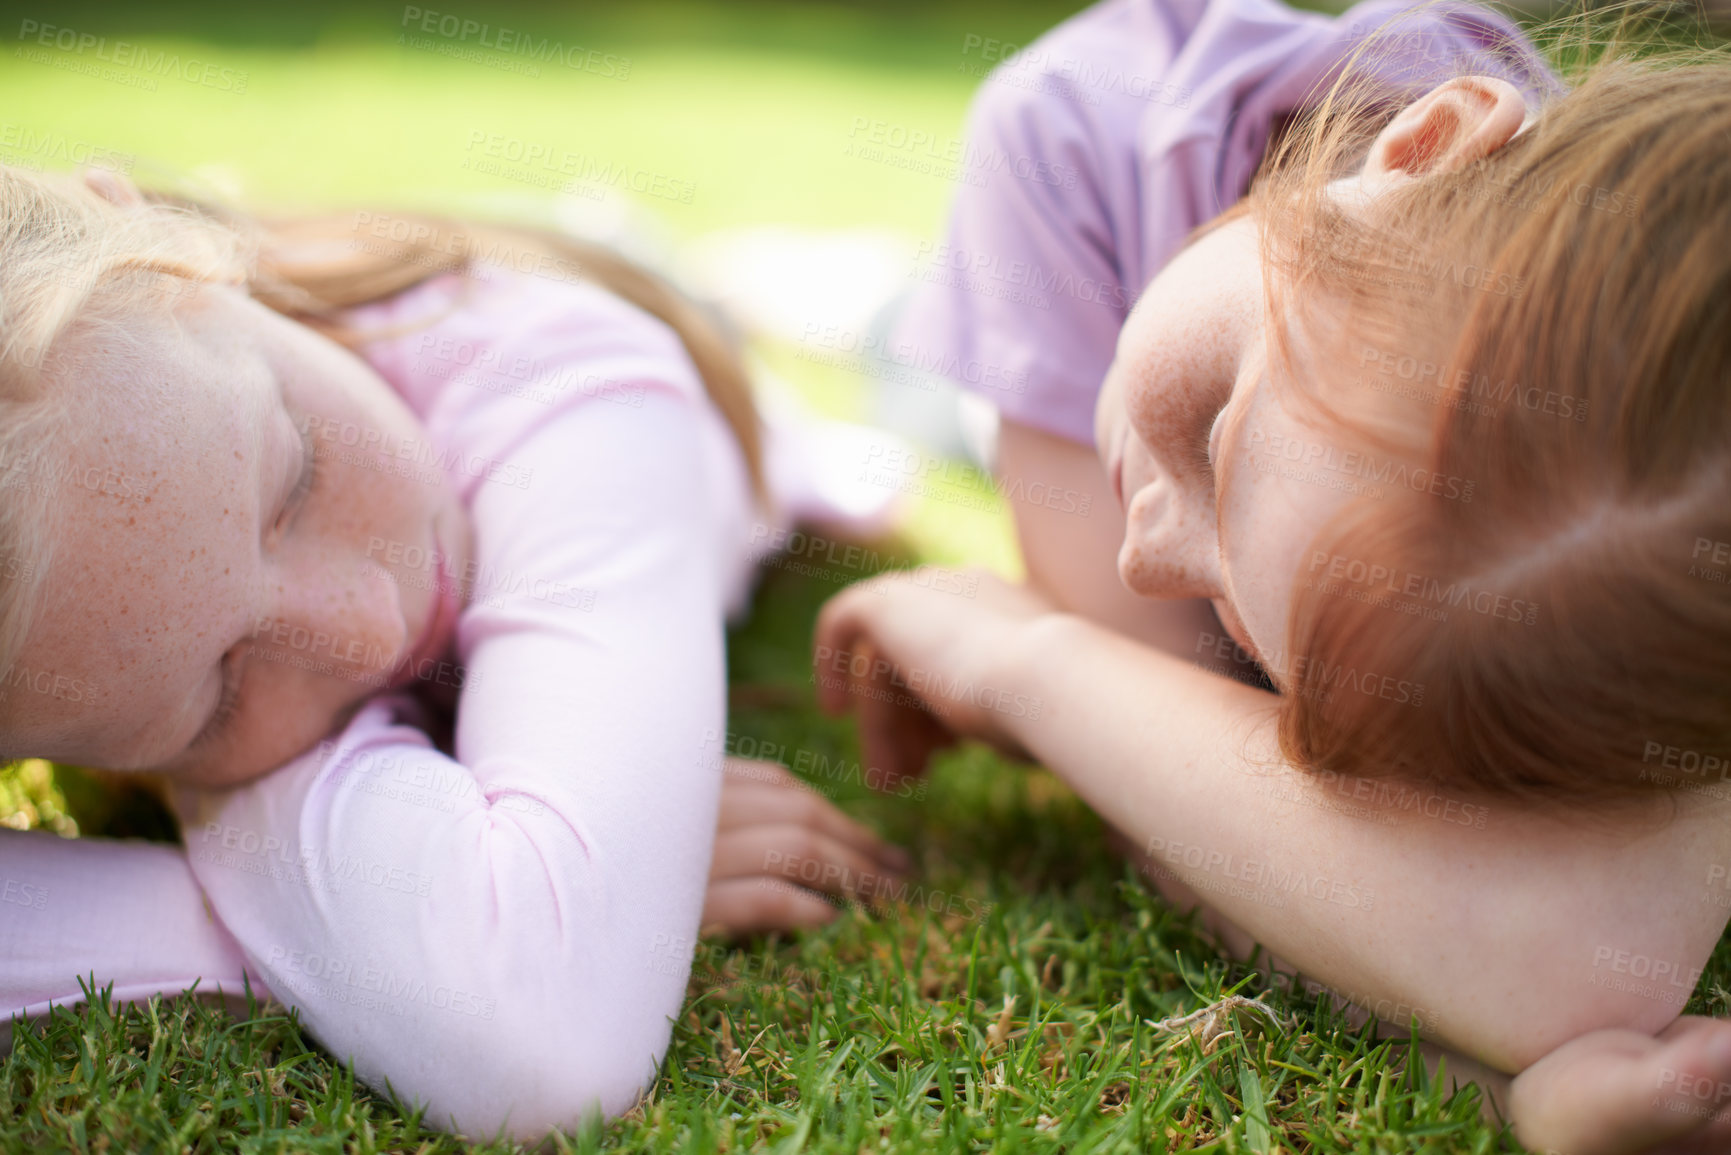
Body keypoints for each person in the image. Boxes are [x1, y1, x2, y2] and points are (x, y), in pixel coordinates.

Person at [814, 1, 1731, 1151]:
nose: (1144, 560)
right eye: (1211, 433)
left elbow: (1563, 957)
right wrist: (1050, 670)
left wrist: (1024, 658)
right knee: (891, 357)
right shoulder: (1071, 133)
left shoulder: (1666, 521)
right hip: (1025, 326)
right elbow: (1157, 798)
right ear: (1428, 143)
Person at [0, 167, 908, 1140]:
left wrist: (355, 893)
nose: (371, 627)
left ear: (187, 258)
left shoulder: (567, 383)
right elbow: (511, 987)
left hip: (652, 339)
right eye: (213, 698)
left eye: (296, 476)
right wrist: (428, 914)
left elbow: (542, 1031)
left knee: (875, 364)